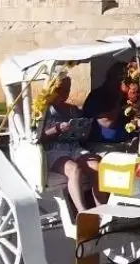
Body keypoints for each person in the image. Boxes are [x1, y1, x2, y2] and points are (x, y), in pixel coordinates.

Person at [39, 75, 98, 218]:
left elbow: (83, 137)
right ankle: (82, 212)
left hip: (73, 147)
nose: (65, 93)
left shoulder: (73, 109)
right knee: (74, 169)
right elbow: (38, 137)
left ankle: (100, 209)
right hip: (53, 150)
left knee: (97, 167)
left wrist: (83, 130)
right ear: (52, 88)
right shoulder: (42, 110)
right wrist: (57, 129)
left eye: (68, 89)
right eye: (61, 89)